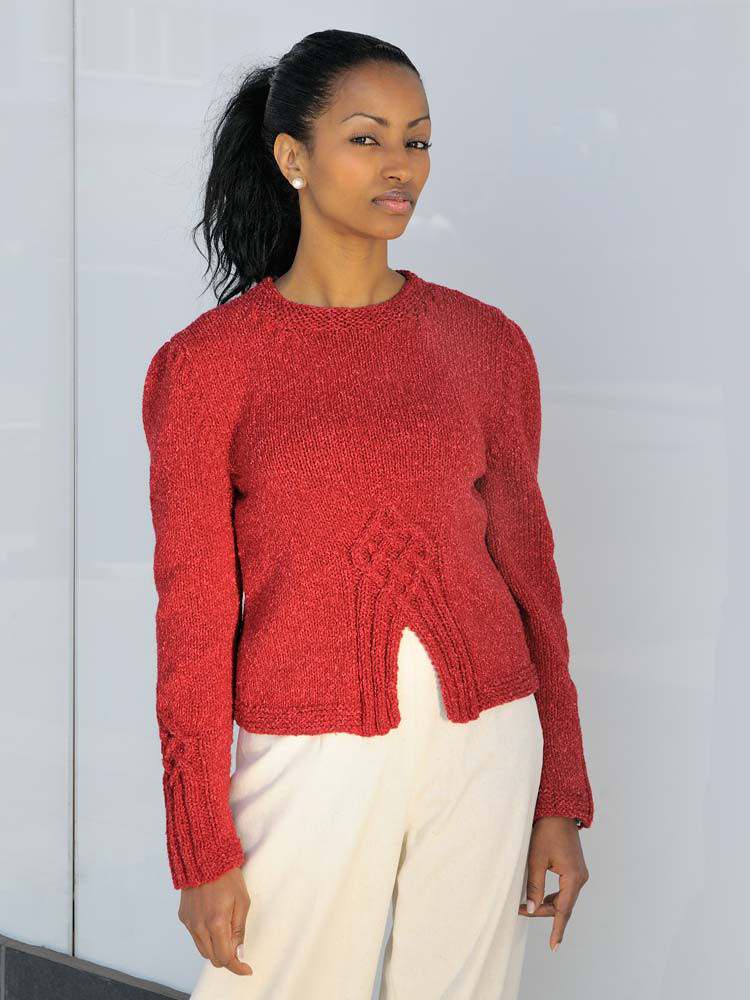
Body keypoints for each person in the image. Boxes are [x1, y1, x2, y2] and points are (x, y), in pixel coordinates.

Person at [141, 28, 594, 1000]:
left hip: (489, 734)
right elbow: (193, 618)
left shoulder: (483, 344)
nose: (401, 166)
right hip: (308, 748)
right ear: (292, 157)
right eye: (367, 138)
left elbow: (532, 577)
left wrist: (559, 791)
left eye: (417, 140)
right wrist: (200, 841)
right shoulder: (208, 367)